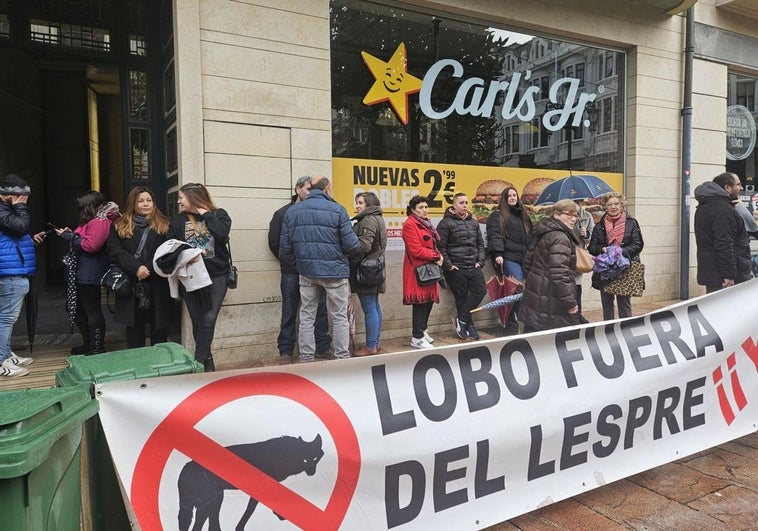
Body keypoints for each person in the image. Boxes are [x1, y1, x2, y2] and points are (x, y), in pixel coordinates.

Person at [279, 176, 360, 361]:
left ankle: (306, 358)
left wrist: (300, 265)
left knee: (307, 315)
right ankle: (342, 358)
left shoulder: (293, 211)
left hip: (306, 272)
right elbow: (352, 246)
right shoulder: (338, 210)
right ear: (327, 189)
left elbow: (285, 248)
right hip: (335, 272)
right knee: (339, 316)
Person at [268, 176, 331, 364]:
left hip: (313, 270)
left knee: (320, 311)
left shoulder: (316, 211)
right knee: (289, 311)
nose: (311, 192)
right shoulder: (282, 213)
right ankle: (286, 351)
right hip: (291, 272)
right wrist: (295, 264)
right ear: (298, 189)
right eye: (308, 188)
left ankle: (322, 347)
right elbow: (275, 243)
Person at [168, 182, 232, 372]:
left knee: (209, 318)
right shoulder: (179, 221)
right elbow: (170, 245)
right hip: (190, 277)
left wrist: (205, 214)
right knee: (197, 320)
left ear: (193, 197)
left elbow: (221, 234)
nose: (179, 202)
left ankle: (198, 363)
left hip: (217, 275)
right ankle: (208, 362)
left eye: (182, 198)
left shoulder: (219, 215)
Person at [107, 187, 174, 348]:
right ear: (133, 203)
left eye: (149, 200)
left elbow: (170, 250)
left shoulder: (165, 224)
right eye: (141, 201)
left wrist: (148, 268)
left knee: (159, 327)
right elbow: (114, 251)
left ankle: (161, 363)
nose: (145, 204)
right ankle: (137, 363)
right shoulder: (119, 226)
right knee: (134, 328)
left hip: (157, 282)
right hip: (131, 282)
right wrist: (136, 268)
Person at [56, 190, 119, 355]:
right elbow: (85, 239)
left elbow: (92, 246)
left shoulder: (100, 221)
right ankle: (89, 344)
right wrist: (72, 234)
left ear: (91, 206)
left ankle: (96, 347)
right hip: (82, 272)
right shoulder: (93, 220)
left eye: (82, 206)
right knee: (75, 308)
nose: (80, 210)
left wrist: (70, 237)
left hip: (89, 273)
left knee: (91, 309)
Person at [520, 199, 581, 332]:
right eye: (568, 214)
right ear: (556, 215)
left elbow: (527, 263)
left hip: (536, 295)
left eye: (575, 215)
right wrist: (570, 303)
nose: (573, 219)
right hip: (550, 301)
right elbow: (560, 275)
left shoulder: (544, 231)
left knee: (532, 340)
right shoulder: (561, 237)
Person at [437, 192, 486, 340]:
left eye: (466, 203)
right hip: (456, 268)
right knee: (461, 297)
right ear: (454, 205)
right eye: (461, 203)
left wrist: (480, 261)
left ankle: (462, 319)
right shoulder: (445, 223)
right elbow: (440, 246)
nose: (465, 205)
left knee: (480, 291)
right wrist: (449, 265)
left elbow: (480, 244)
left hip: (473, 265)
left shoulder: (474, 222)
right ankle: (469, 326)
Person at [0, 174, 36, 377]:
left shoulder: (6, 209)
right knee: (6, 318)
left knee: (7, 318)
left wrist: (31, 241)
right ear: (11, 195)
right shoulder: (3, 208)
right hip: (9, 273)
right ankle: (0, 361)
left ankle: (5, 354)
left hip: (12, 270)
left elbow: (14, 235)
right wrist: (21, 207)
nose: (25, 200)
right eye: (23, 197)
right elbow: (20, 226)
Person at [588, 193, 644, 319]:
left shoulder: (632, 223)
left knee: (624, 304)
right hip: (605, 270)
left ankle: (626, 329)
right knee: (607, 303)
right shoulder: (599, 226)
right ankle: (608, 330)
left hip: (624, 268)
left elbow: (638, 245)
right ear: (605, 207)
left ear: (622, 205)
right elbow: (592, 247)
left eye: (616, 203)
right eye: (609, 204)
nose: (613, 207)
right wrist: (602, 249)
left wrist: (619, 252)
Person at [694, 172, 752, 292]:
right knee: (731, 309)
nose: (741, 188)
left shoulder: (706, 206)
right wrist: (729, 275)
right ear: (727, 188)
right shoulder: (722, 209)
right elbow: (724, 244)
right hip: (725, 277)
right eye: (738, 185)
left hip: (714, 272)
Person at [486, 186, 532, 334]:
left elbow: (531, 237)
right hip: (508, 257)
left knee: (525, 289)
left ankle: (518, 317)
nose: (513, 198)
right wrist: (498, 253)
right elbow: (495, 235)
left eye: (514, 195)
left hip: (524, 258)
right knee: (517, 286)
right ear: (504, 199)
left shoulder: (523, 215)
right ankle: (513, 317)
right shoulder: (497, 215)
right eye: (509, 196)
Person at [402, 195, 443, 349]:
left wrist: (438, 254)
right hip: (417, 270)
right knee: (420, 303)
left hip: (430, 268)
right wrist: (436, 255)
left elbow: (432, 244)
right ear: (413, 210)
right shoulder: (410, 224)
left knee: (429, 300)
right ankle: (417, 337)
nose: (424, 210)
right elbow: (416, 250)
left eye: (426, 207)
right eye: (421, 207)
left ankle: (423, 329)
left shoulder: (427, 223)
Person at [350, 192, 387, 356]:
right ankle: (375, 343)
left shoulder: (368, 220)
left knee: (370, 308)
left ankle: (371, 346)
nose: (357, 206)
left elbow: (363, 246)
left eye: (360, 203)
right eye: (357, 202)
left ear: (369, 204)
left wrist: (351, 263)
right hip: (374, 268)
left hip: (366, 270)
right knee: (374, 307)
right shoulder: (377, 218)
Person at [573, 199, 595, 322]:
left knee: (577, 286)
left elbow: (591, 240)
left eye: (578, 201)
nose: (576, 204)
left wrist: (585, 234)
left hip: (578, 256)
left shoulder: (587, 216)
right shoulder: (563, 214)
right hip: (564, 255)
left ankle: (578, 316)